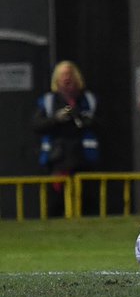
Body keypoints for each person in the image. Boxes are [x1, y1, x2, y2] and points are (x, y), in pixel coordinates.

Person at [33, 60, 98, 215]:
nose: (66, 79)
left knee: (86, 202)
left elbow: (101, 123)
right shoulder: (49, 101)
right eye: (63, 75)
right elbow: (37, 125)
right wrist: (56, 119)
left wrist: (80, 118)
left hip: (84, 159)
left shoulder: (88, 100)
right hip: (58, 160)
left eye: (69, 75)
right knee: (56, 203)